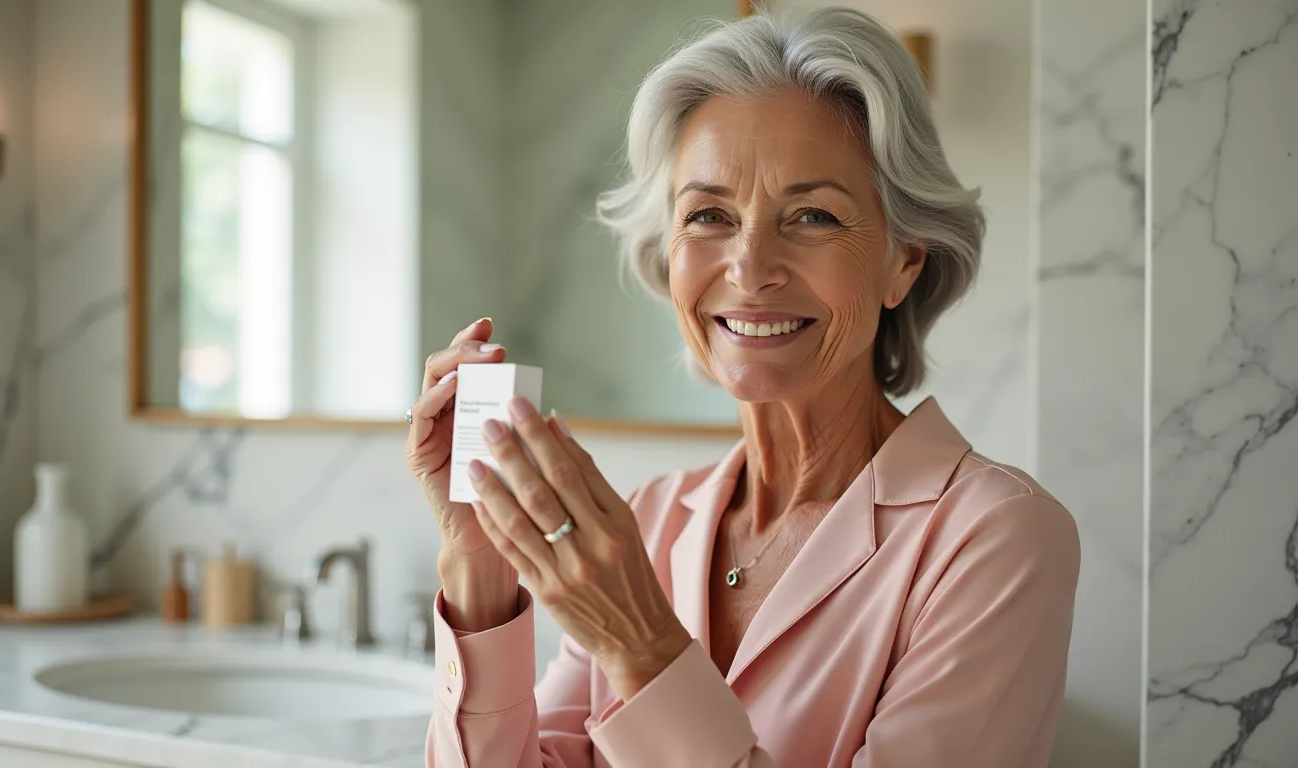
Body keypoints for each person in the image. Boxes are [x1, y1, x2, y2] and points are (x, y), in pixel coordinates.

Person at [406, 7, 1079, 767]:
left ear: (905, 260)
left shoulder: (996, 537)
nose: (751, 267)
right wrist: (478, 566)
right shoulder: (654, 520)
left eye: (814, 215)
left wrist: (644, 646)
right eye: (710, 216)